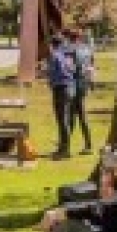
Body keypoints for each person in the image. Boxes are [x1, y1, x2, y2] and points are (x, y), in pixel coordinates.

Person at [45, 31, 76, 159]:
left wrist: (48, 78)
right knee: (65, 120)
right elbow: (72, 69)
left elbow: (52, 73)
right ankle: (63, 147)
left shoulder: (54, 55)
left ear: (52, 44)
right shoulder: (67, 55)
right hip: (70, 87)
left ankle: (65, 150)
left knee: (62, 120)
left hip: (60, 89)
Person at [69, 27, 95, 155]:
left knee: (77, 115)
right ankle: (66, 140)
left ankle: (87, 144)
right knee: (74, 114)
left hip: (75, 84)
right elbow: (91, 67)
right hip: (84, 84)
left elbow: (71, 68)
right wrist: (91, 82)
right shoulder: (87, 50)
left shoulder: (72, 51)